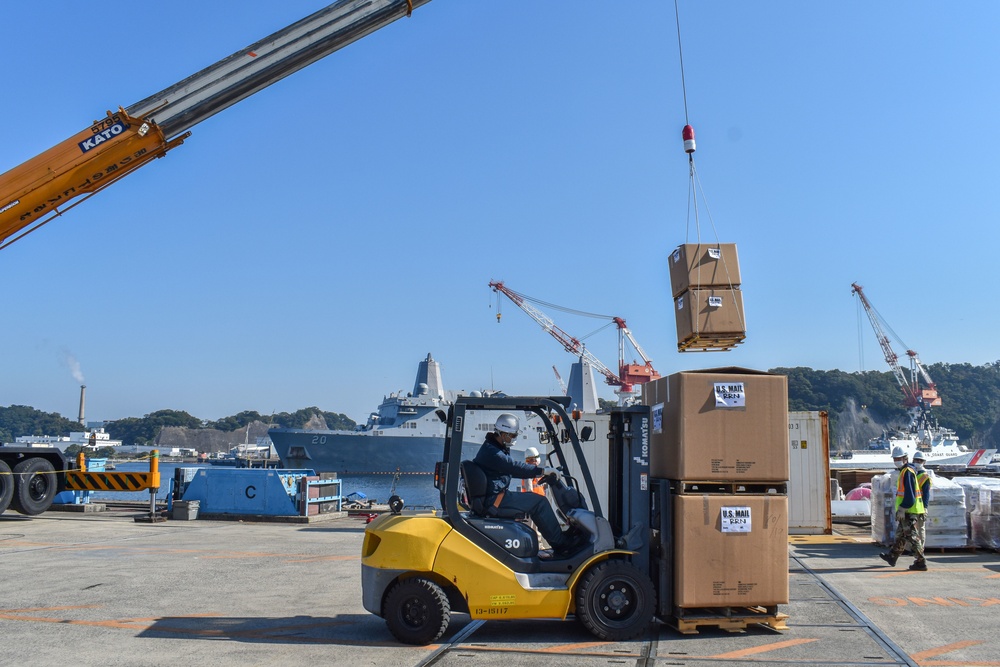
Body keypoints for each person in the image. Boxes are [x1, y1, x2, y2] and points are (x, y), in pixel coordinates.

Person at [473, 413, 579, 555]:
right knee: (539, 502)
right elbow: (513, 467)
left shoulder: (493, 448)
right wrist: (542, 471)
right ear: (503, 434)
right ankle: (561, 544)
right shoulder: (494, 453)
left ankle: (558, 540)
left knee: (535, 501)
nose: (514, 439)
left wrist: (539, 472)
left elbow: (511, 469)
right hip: (495, 500)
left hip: (495, 496)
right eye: (513, 436)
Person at [879, 445, 927, 571]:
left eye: (898, 458)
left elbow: (910, 496)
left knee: (912, 536)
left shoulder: (908, 472)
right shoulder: (905, 471)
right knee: (901, 535)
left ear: (905, 458)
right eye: (894, 458)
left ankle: (921, 561)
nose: (896, 461)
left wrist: (902, 508)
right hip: (907, 510)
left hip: (909, 510)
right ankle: (892, 556)